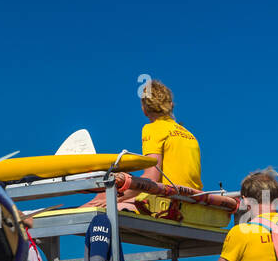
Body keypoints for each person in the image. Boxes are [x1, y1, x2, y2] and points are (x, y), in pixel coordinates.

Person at [84, 78, 202, 210]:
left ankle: (73, 212)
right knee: (107, 194)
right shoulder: (189, 134)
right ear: (171, 104)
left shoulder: (153, 129)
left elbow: (152, 176)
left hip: (169, 202)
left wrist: (115, 198)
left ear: (144, 108)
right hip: (191, 201)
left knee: (100, 205)